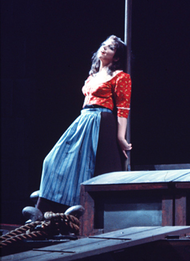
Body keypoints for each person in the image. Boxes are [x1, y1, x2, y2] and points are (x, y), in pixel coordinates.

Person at [25, 35, 132, 220]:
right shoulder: (92, 76)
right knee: (52, 160)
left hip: (102, 120)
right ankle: (47, 206)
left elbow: (123, 108)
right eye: (103, 45)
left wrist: (121, 138)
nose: (104, 49)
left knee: (89, 166)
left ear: (116, 57)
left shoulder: (120, 77)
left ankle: (78, 210)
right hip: (84, 118)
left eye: (111, 48)